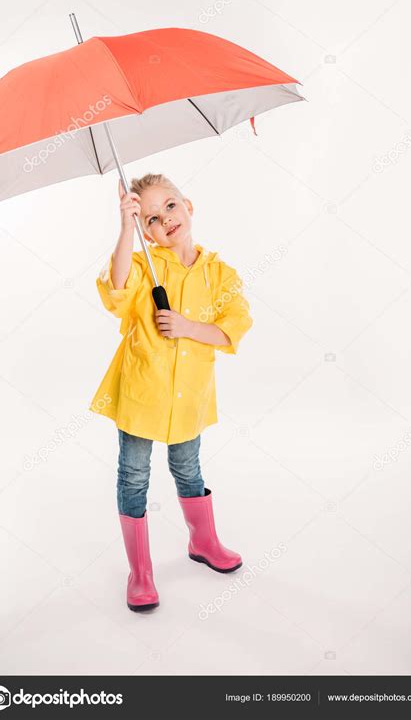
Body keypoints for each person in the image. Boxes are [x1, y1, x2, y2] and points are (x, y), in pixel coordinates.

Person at [90, 173, 253, 612]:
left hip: (189, 397)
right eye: (151, 219)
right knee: (134, 476)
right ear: (146, 231)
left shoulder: (221, 274)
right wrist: (125, 231)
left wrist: (187, 327)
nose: (165, 220)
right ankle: (139, 571)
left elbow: (234, 326)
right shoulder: (144, 261)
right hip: (142, 392)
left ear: (189, 205)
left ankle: (204, 541)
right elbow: (117, 289)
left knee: (188, 468)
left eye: (170, 207)